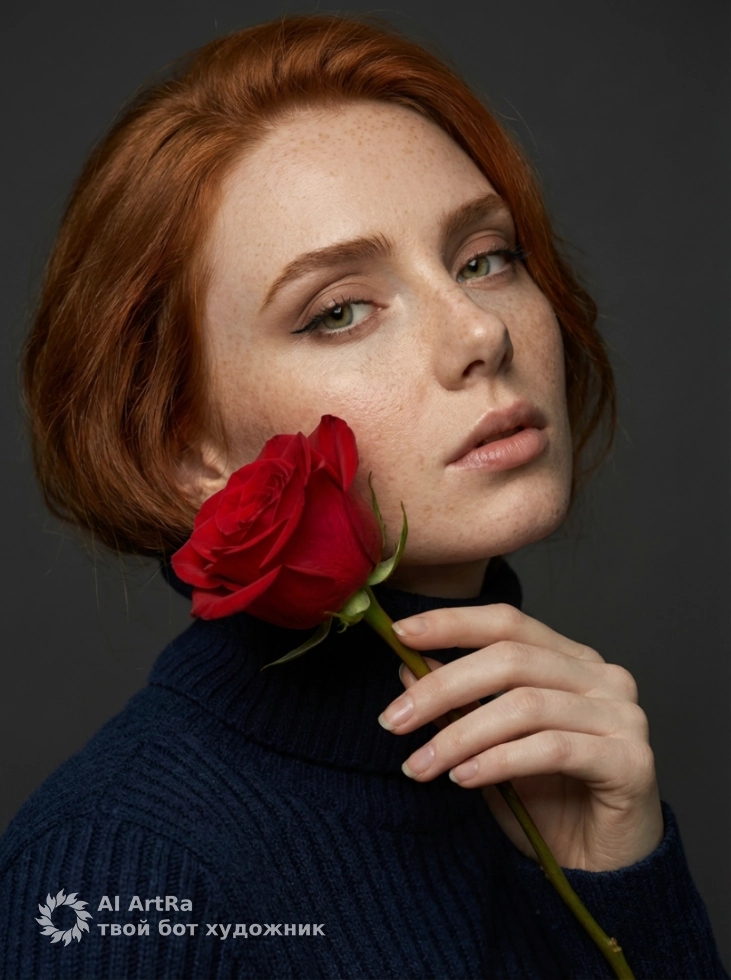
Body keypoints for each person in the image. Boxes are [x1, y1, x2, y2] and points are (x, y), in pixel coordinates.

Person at [0, 12, 726, 980]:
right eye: (339, 311)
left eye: (484, 257)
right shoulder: (118, 876)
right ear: (185, 447)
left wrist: (623, 886)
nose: (480, 332)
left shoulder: (567, 783)